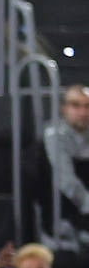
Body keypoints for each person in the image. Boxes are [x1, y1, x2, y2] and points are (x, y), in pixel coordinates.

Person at [41, 84, 89, 246]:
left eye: (87, 106)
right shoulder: (55, 134)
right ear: (64, 108)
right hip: (63, 214)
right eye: (76, 105)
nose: (83, 113)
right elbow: (66, 180)